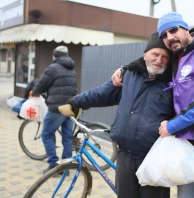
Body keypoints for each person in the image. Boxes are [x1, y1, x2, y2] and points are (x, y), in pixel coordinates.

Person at [112, 12, 194, 198]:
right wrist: (124, 69)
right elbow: (150, 62)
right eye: (164, 35)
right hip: (189, 144)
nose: (169, 37)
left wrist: (173, 125)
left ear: (185, 28)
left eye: (173, 30)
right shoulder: (176, 57)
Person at [58, 32, 174, 198]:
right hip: (125, 156)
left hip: (154, 158)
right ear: (145, 54)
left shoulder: (172, 84)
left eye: (165, 57)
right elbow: (102, 93)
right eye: (155, 54)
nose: (159, 60)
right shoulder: (129, 75)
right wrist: (75, 102)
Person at [30, 46, 77, 174]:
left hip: (57, 108)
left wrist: (34, 93)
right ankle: (65, 168)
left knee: (46, 134)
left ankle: (53, 165)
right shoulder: (71, 68)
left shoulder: (53, 68)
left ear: (54, 55)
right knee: (67, 138)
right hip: (70, 107)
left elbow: (42, 83)